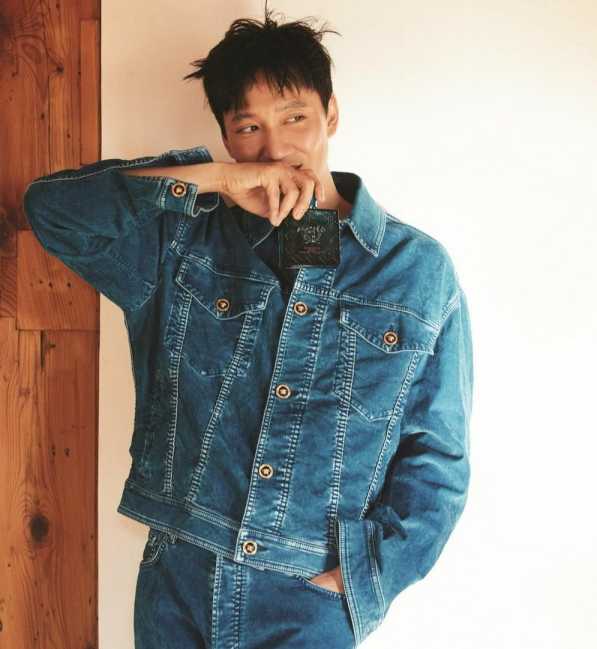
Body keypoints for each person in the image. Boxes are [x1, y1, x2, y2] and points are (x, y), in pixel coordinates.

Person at [22, 3, 474, 647]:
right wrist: (211, 178)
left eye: (295, 118)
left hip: (308, 601)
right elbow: (52, 210)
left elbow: (438, 459)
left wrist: (360, 580)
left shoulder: (414, 271)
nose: (275, 148)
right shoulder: (180, 243)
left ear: (331, 115)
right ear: (227, 138)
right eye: (248, 127)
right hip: (178, 583)